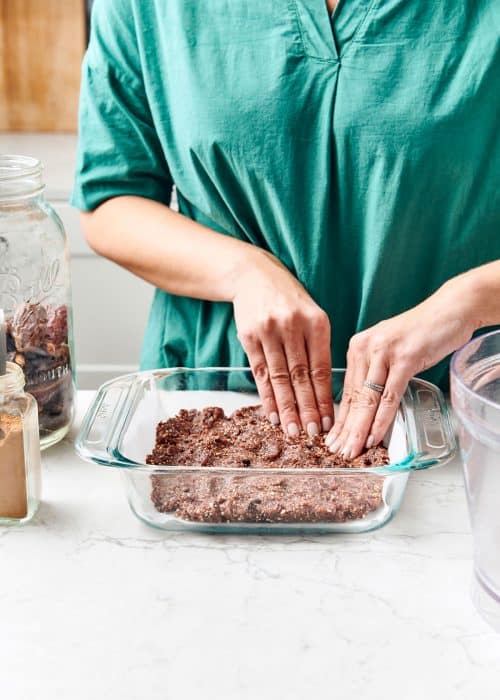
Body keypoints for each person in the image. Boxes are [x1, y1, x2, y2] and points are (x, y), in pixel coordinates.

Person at [72, 0, 500, 459]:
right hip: (212, 408)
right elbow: (109, 201)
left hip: (462, 418)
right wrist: (242, 272)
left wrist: (465, 303)